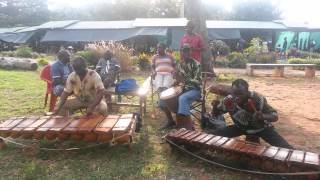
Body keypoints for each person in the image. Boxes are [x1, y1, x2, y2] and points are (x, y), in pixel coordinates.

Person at [212, 79, 292, 149]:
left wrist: (263, 116)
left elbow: (275, 117)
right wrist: (215, 107)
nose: (237, 97)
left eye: (240, 94)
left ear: (247, 92)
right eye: (234, 93)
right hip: (241, 128)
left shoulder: (258, 99)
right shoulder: (228, 100)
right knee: (212, 136)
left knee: (286, 149)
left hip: (262, 128)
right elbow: (215, 114)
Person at [159, 44, 201, 130]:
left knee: (182, 98)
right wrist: (175, 82)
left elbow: (198, 81)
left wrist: (184, 80)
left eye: (188, 51)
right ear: (181, 52)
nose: (186, 53)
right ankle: (171, 121)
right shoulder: (180, 64)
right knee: (163, 98)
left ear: (190, 52)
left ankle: (187, 126)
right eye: (184, 51)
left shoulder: (196, 64)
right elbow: (178, 79)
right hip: (182, 89)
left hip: (194, 90)